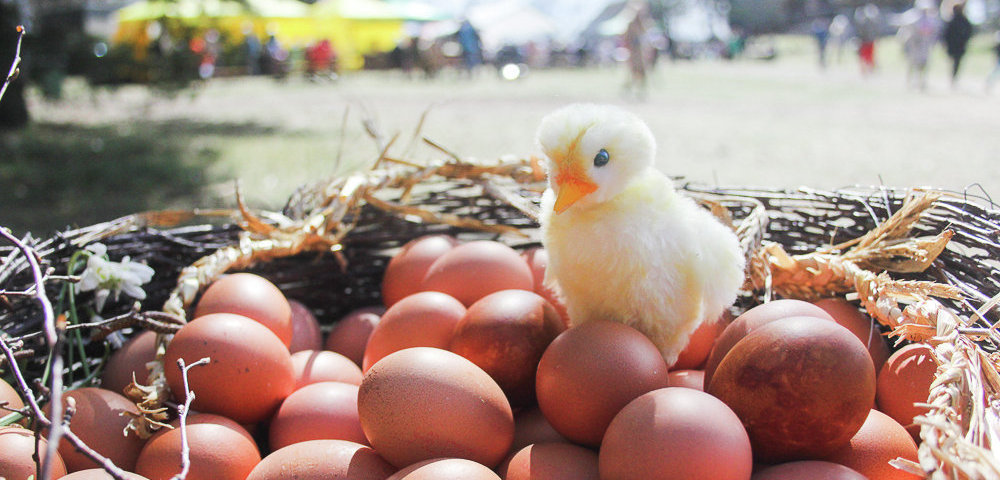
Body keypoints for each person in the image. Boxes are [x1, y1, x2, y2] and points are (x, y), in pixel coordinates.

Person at [898, 0, 941, 90]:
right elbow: (904, 31)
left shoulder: (931, 18)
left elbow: (934, 32)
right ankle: (909, 82)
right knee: (912, 63)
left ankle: (922, 82)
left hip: (924, 45)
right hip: (914, 44)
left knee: (924, 64)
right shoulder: (911, 17)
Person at [622, 1, 653, 100]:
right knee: (633, 74)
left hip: (640, 53)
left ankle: (641, 92)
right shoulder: (630, 24)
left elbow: (646, 37)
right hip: (633, 53)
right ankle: (627, 89)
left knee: (642, 73)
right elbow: (626, 39)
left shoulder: (642, 24)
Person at [942, 2, 973, 87]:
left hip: (957, 45)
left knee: (955, 63)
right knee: (955, 63)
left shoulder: (958, 20)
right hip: (957, 46)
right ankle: (953, 78)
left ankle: (953, 78)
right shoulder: (959, 20)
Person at [854, 3, 881, 76]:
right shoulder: (861, 23)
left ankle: (870, 72)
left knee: (869, 58)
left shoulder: (871, 23)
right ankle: (865, 73)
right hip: (863, 42)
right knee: (863, 58)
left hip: (869, 42)